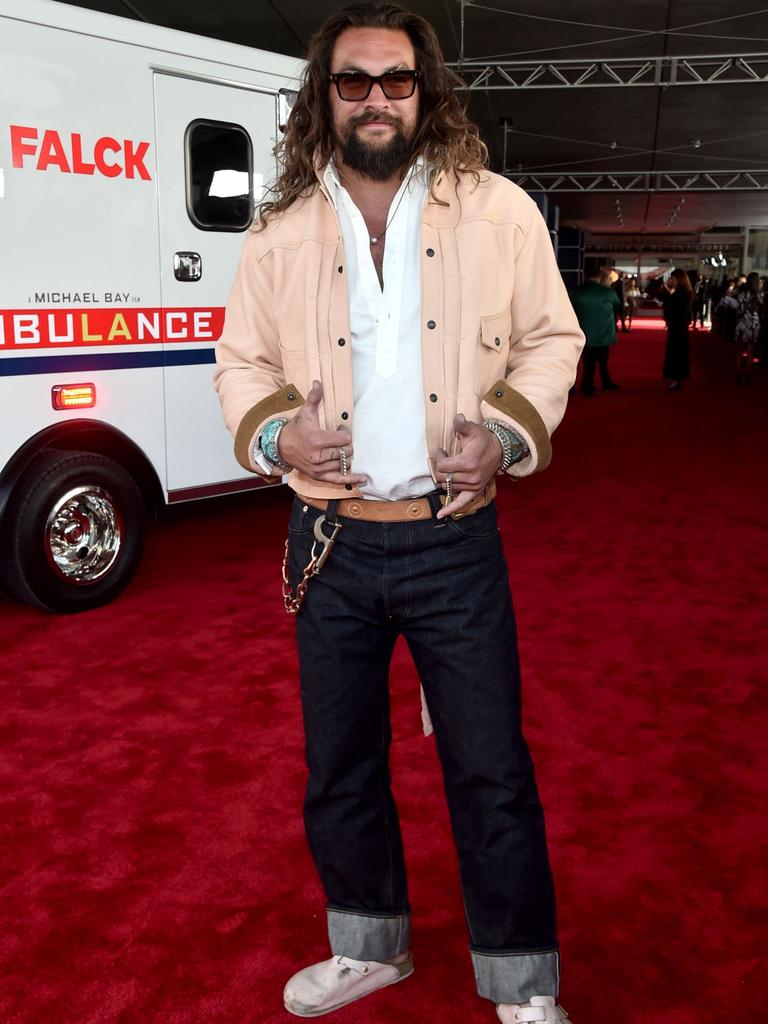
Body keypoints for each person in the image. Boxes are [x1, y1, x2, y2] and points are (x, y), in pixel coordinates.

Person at [214, 5, 584, 1022]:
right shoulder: (280, 235)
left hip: (454, 539)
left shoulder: (496, 210)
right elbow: (239, 361)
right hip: (329, 545)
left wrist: (505, 435)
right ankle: (368, 945)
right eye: (352, 81)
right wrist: (274, 433)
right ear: (323, 101)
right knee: (340, 765)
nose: (376, 97)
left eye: (397, 79)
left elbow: (554, 341)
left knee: (490, 769)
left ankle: (521, 980)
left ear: (426, 93)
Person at [570, 266, 621, 395]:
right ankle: (603, 383)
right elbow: (618, 305)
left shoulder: (576, 291)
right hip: (603, 333)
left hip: (582, 332)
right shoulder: (606, 292)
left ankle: (580, 386)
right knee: (603, 361)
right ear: (599, 277)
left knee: (586, 362)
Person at [662, 268, 693, 390]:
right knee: (678, 353)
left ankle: (676, 378)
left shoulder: (680, 294)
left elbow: (673, 309)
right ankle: (677, 377)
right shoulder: (684, 292)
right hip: (680, 327)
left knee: (675, 353)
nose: (672, 281)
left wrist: (667, 295)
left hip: (677, 327)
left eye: (673, 279)